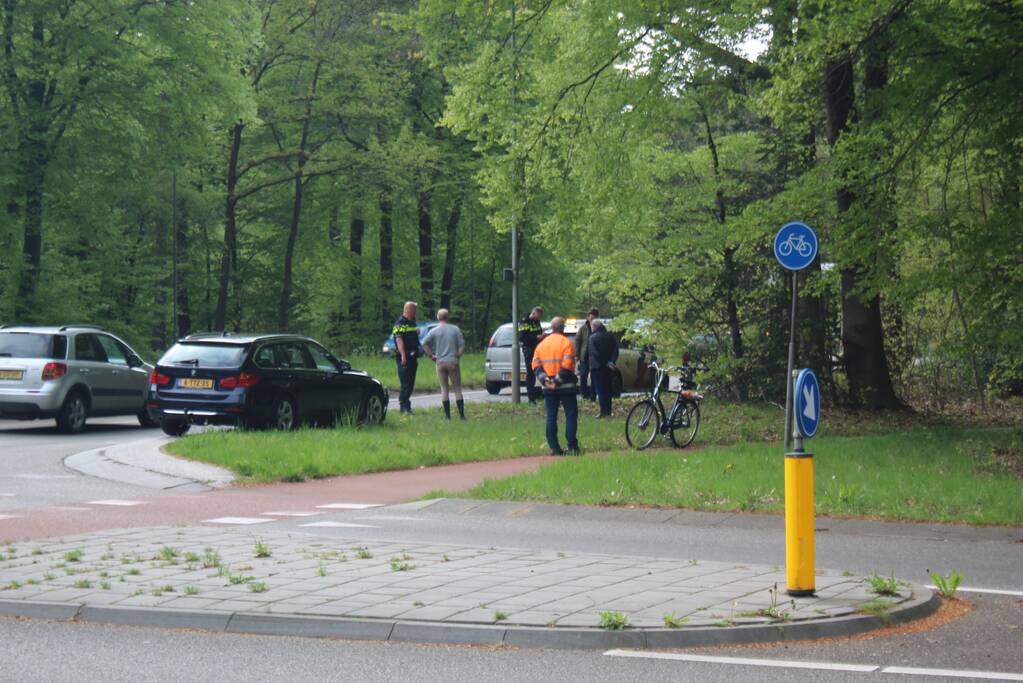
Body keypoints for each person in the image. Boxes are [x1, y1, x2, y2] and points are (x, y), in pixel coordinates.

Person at [532, 316, 580, 455]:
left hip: (548, 386)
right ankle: (572, 446)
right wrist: (557, 381)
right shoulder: (567, 343)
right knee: (570, 415)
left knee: (551, 416)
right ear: (563, 328)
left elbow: (535, 364)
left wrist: (546, 380)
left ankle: (554, 447)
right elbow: (568, 364)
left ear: (552, 328)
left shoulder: (542, 344)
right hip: (566, 385)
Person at [422, 308, 466, 420]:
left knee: (444, 389)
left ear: (438, 317)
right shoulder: (455, 330)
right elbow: (462, 346)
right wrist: (457, 356)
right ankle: (461, 416)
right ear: (448, 317)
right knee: (457, 389)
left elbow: (424, 343)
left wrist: (431, 356)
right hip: (453, 362)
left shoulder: (434, 331)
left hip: (440, 362)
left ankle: (447, 416)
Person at [392, 301, 421, 415]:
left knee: (411, 383)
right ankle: (403, 408)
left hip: (413, 357)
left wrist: (416, 333)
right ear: (408, 310)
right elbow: (399, 340)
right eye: (414, 310)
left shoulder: (412, 323)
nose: (415, 312)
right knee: (406, 383)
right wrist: (403, 355)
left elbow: (410, 337)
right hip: (404, 357)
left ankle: (407, 407)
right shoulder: (400, 323)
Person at [587, 320, 619, 418]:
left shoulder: (592, 338)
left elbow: (595, 353)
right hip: (609, 367)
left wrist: (604, 362)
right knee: (608, 389)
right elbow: (615, 350)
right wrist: (611, 362)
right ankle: (608, 411)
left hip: (597, 367)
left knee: (600, 390)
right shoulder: (610, 336)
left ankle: (603, 411)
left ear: (594, 327)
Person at [518, 306, 546, 403]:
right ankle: (531, 398)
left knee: (541, 371)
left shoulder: (536, 322)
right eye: (539, 316)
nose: (539, 319)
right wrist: (536, 337)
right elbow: (522, 337)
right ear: (534, 313)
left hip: (538, 350)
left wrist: (542, 337)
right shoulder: (524, 322)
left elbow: (539, 332)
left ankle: (540, 394)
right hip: (529, 350)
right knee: (530, 373)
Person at [574, 307, 599, 401]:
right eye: (591, 317)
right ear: (588, 317)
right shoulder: (583, 328)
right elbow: (577, 341)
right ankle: (584, 394)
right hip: (585, 356)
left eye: (594, 317)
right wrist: (576, 355)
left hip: (595, 357)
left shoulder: (599, 327)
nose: (592, 319)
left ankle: (593, 396)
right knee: (583, 375)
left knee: (594, 377)